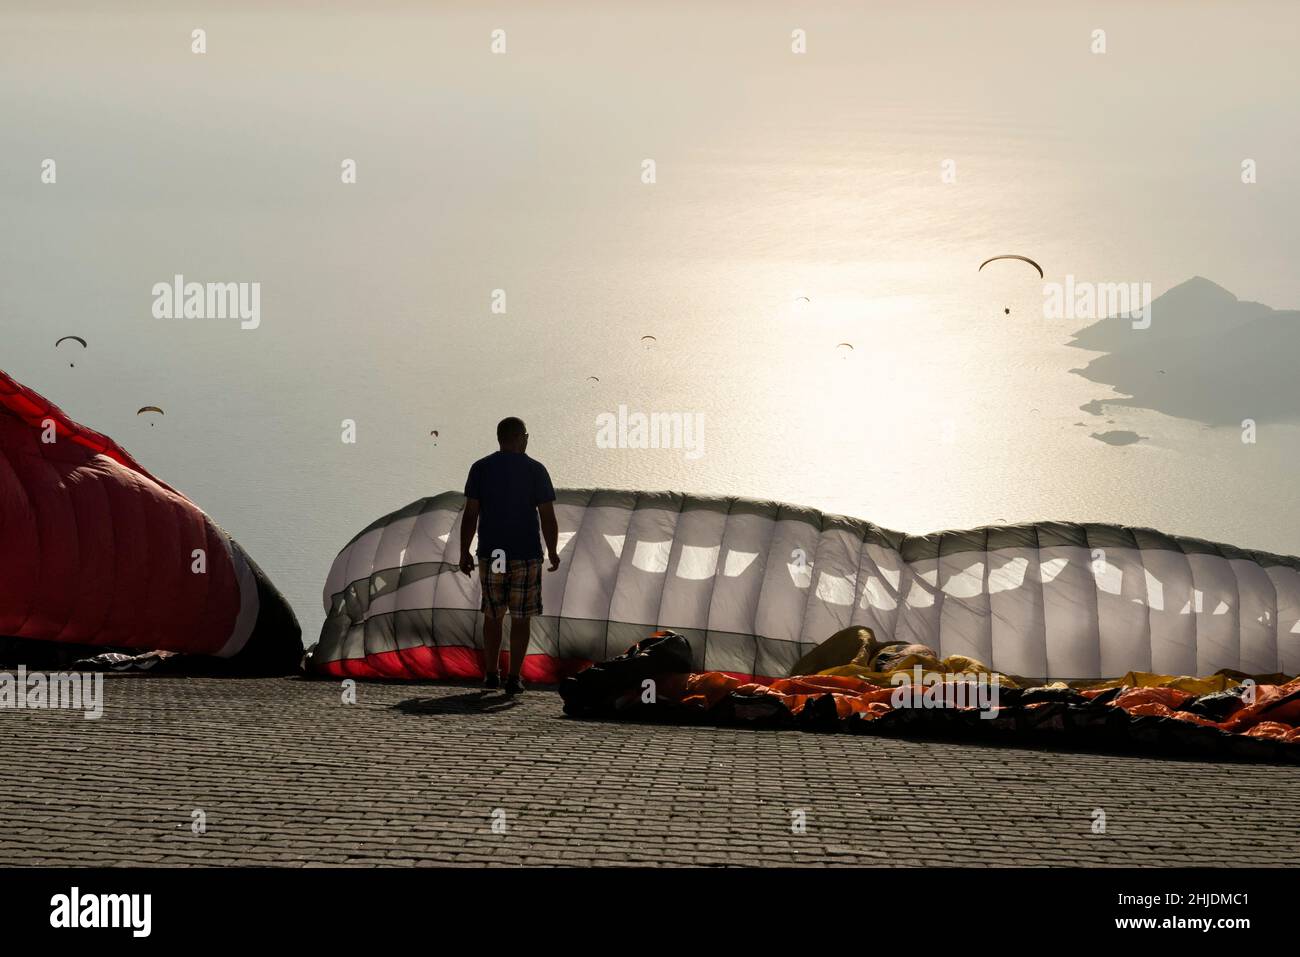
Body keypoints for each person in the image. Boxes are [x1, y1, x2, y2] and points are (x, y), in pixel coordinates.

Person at [458, 417, 560, 694]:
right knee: (521, 617)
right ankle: (514, 678)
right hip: (525, 554)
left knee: (492, 615)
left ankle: (491, 674)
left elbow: (470, 514)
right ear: (518, 438)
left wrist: (464, 551)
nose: (527, 440)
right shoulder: (536, 470)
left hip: (491, 554)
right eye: (526, 436)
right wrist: (551, 550)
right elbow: (548, 517)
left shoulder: (480, 469)